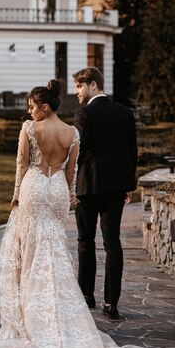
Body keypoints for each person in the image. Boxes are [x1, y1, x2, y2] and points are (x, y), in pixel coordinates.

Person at [0, 80, 145, 348]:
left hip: (35, 188)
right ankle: (62, 308)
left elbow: (22, 165)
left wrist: (14, 195)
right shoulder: (72, 133)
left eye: (32, 106)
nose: (29, 111)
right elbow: (71, 170)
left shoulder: (29, 129)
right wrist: (71, 194)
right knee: (54, 248)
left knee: (30, 247)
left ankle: (30, 313)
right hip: (58, 191)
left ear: (44, 107)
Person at [73, 67, 138, 320]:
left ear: (91, 84)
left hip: (88, 187)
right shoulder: (125, 113)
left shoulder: (84, 113)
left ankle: (86, 296)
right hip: (115, 188)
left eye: (79, 86)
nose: (77, 91)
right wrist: (127, 186)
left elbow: (80, 151)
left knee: (85, 242)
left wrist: (70, 184)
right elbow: (131, 151)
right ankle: (111, 303)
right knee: (113, 243)